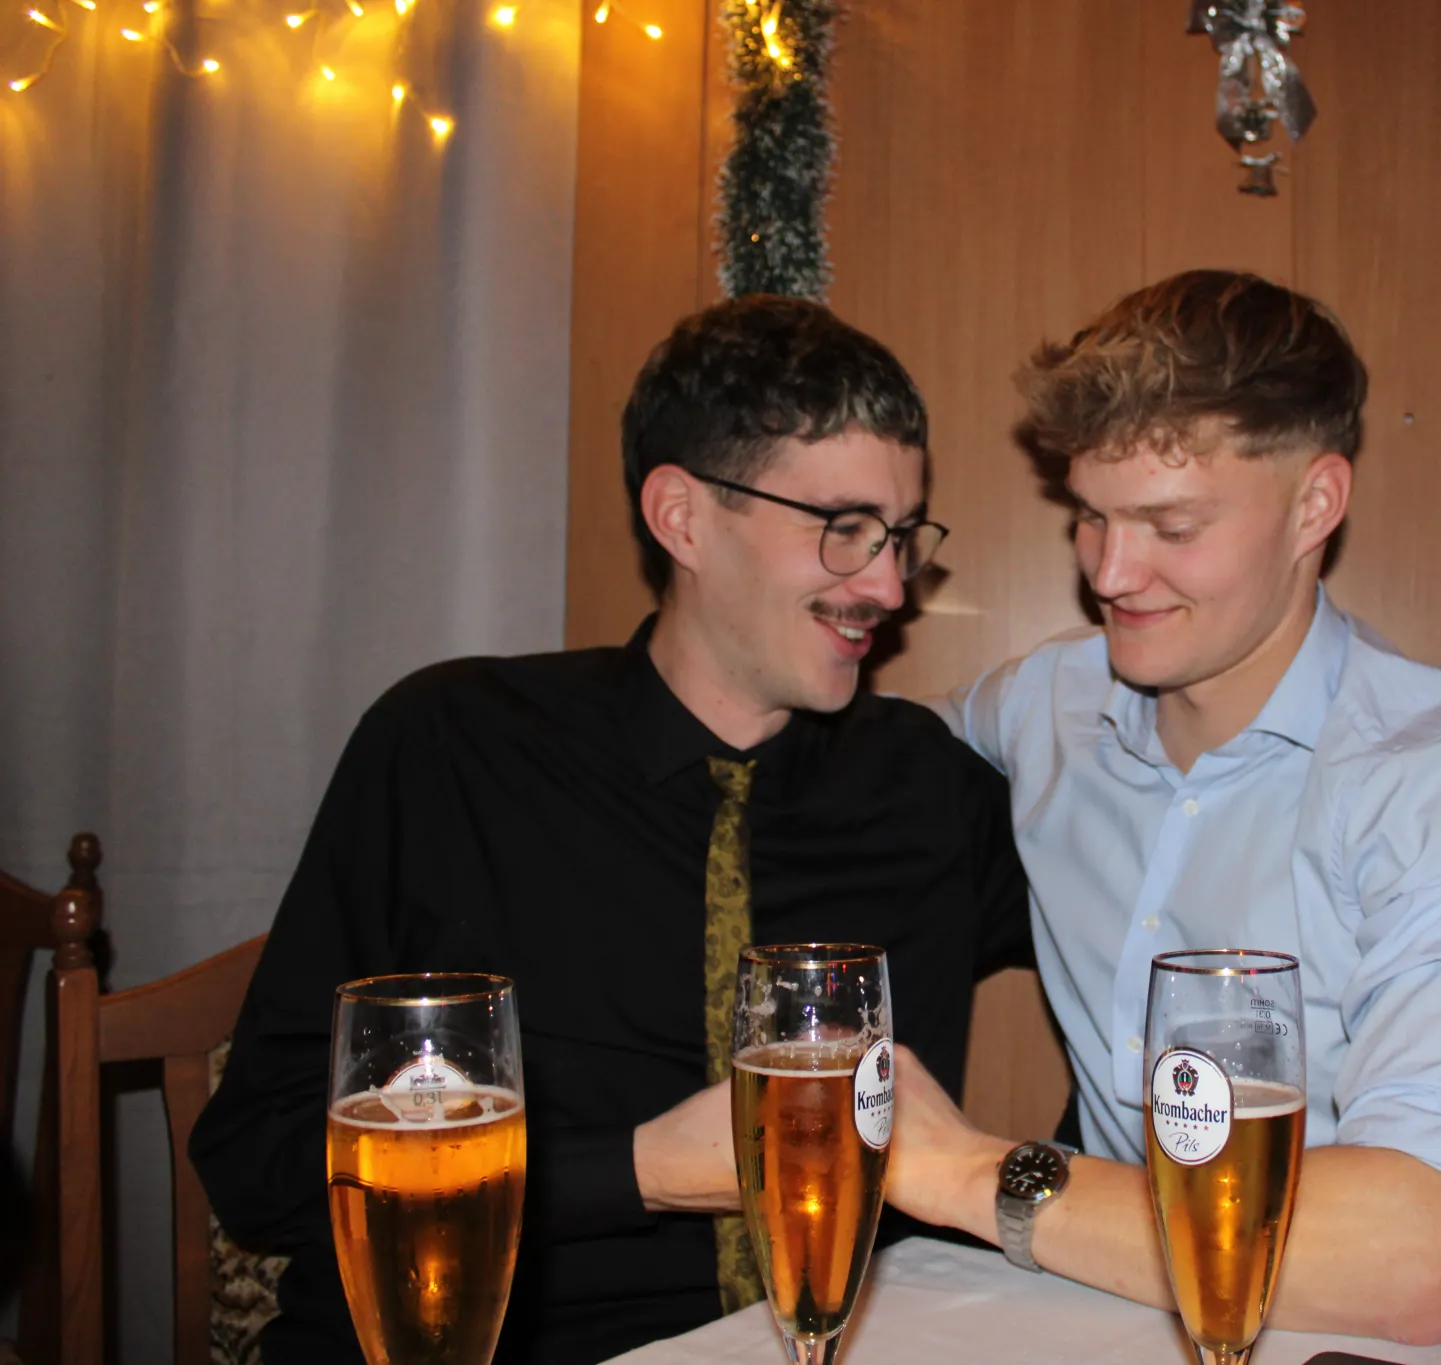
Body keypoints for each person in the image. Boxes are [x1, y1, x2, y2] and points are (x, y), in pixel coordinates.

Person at [190, 296, 1033, 1365]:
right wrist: (638, 1169)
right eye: (844, 530)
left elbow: (1137, 946)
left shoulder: (928, 789)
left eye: (901, 536)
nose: (887, 585)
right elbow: (259, 1161)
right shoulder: (453, 750)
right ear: (681, 517)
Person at [883, 270, 1441, 1355]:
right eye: (1090, 517)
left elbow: (1415, 1258)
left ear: (1314, 505)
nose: (1111, 573)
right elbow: (854, 758)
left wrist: (967, 1173)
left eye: (1171, 524)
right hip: (1143, 1323)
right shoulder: (1046, 704)